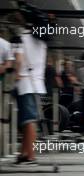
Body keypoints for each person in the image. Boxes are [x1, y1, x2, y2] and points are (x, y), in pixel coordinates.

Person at [10, 12, 49, 166]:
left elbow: (18, 61)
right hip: (37, 83)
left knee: (28, 121)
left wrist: (16, 74)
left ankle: (31, 157)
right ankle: (23, 153)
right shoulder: (41, 41)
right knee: (27, 121)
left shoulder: (19, 40)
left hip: (24, 83)